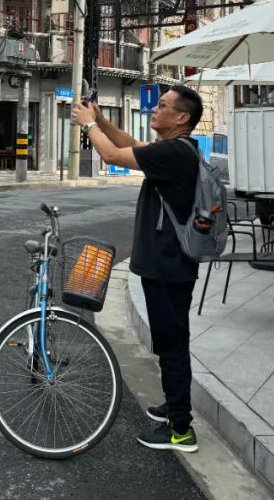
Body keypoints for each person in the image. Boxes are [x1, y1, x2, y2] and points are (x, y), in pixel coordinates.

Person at [72, 86, 204, 454]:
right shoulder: (176, 150)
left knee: (172, 345)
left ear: (182, 117)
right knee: (169, 342)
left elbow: (112, 154)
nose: (155, 110)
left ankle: (181, 430)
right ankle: (174, 407)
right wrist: (101, 120)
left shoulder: (176, 152)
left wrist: (88, 124)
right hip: (168, 265)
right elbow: (129, 145)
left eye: (163, 105)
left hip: (168, 266)